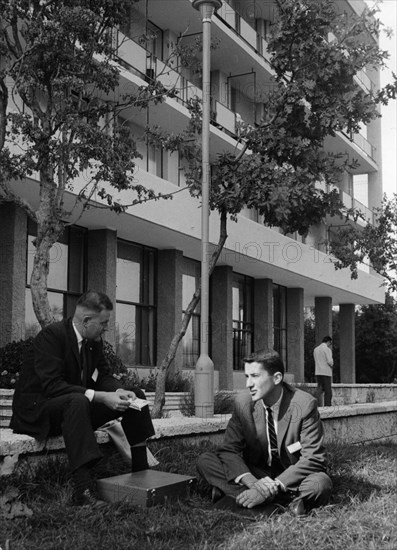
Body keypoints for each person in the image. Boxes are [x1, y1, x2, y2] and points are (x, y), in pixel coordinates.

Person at [11, 290, 155, 506]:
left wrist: (117, 392)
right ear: (87, 320)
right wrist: (100, 396)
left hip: (73, 411)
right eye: (104, 323)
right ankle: (84, 491)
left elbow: (103, 375)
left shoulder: (93, 341)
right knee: (77, 401)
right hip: (39, 412)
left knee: (136, 397)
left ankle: (141, 473)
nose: (106, 328)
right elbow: (53, 386)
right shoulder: (51, 337)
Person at [197, 349, 332, 516]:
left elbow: (313, 458)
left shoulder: (304, 404)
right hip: (258, 473)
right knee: (206, 461)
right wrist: (254, 484)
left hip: (291, 475)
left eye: (255, 376)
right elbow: (229, 450)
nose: (248, 384)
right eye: (247, 376)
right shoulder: (243, 403)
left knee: (320, 484)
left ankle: (238, 495)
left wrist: (272, 487)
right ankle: (282, 501)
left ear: (276, 378)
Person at [314, 336, 334, 407]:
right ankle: (327, 407)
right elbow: (330, 361)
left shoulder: (316, 349)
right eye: (330, 343)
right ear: (328, 342)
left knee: (319, 390)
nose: (330, 345)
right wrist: (332, 364)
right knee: (328, 392)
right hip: (326, 373)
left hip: (318, 372)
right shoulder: (327, 349)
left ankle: (315, 405)